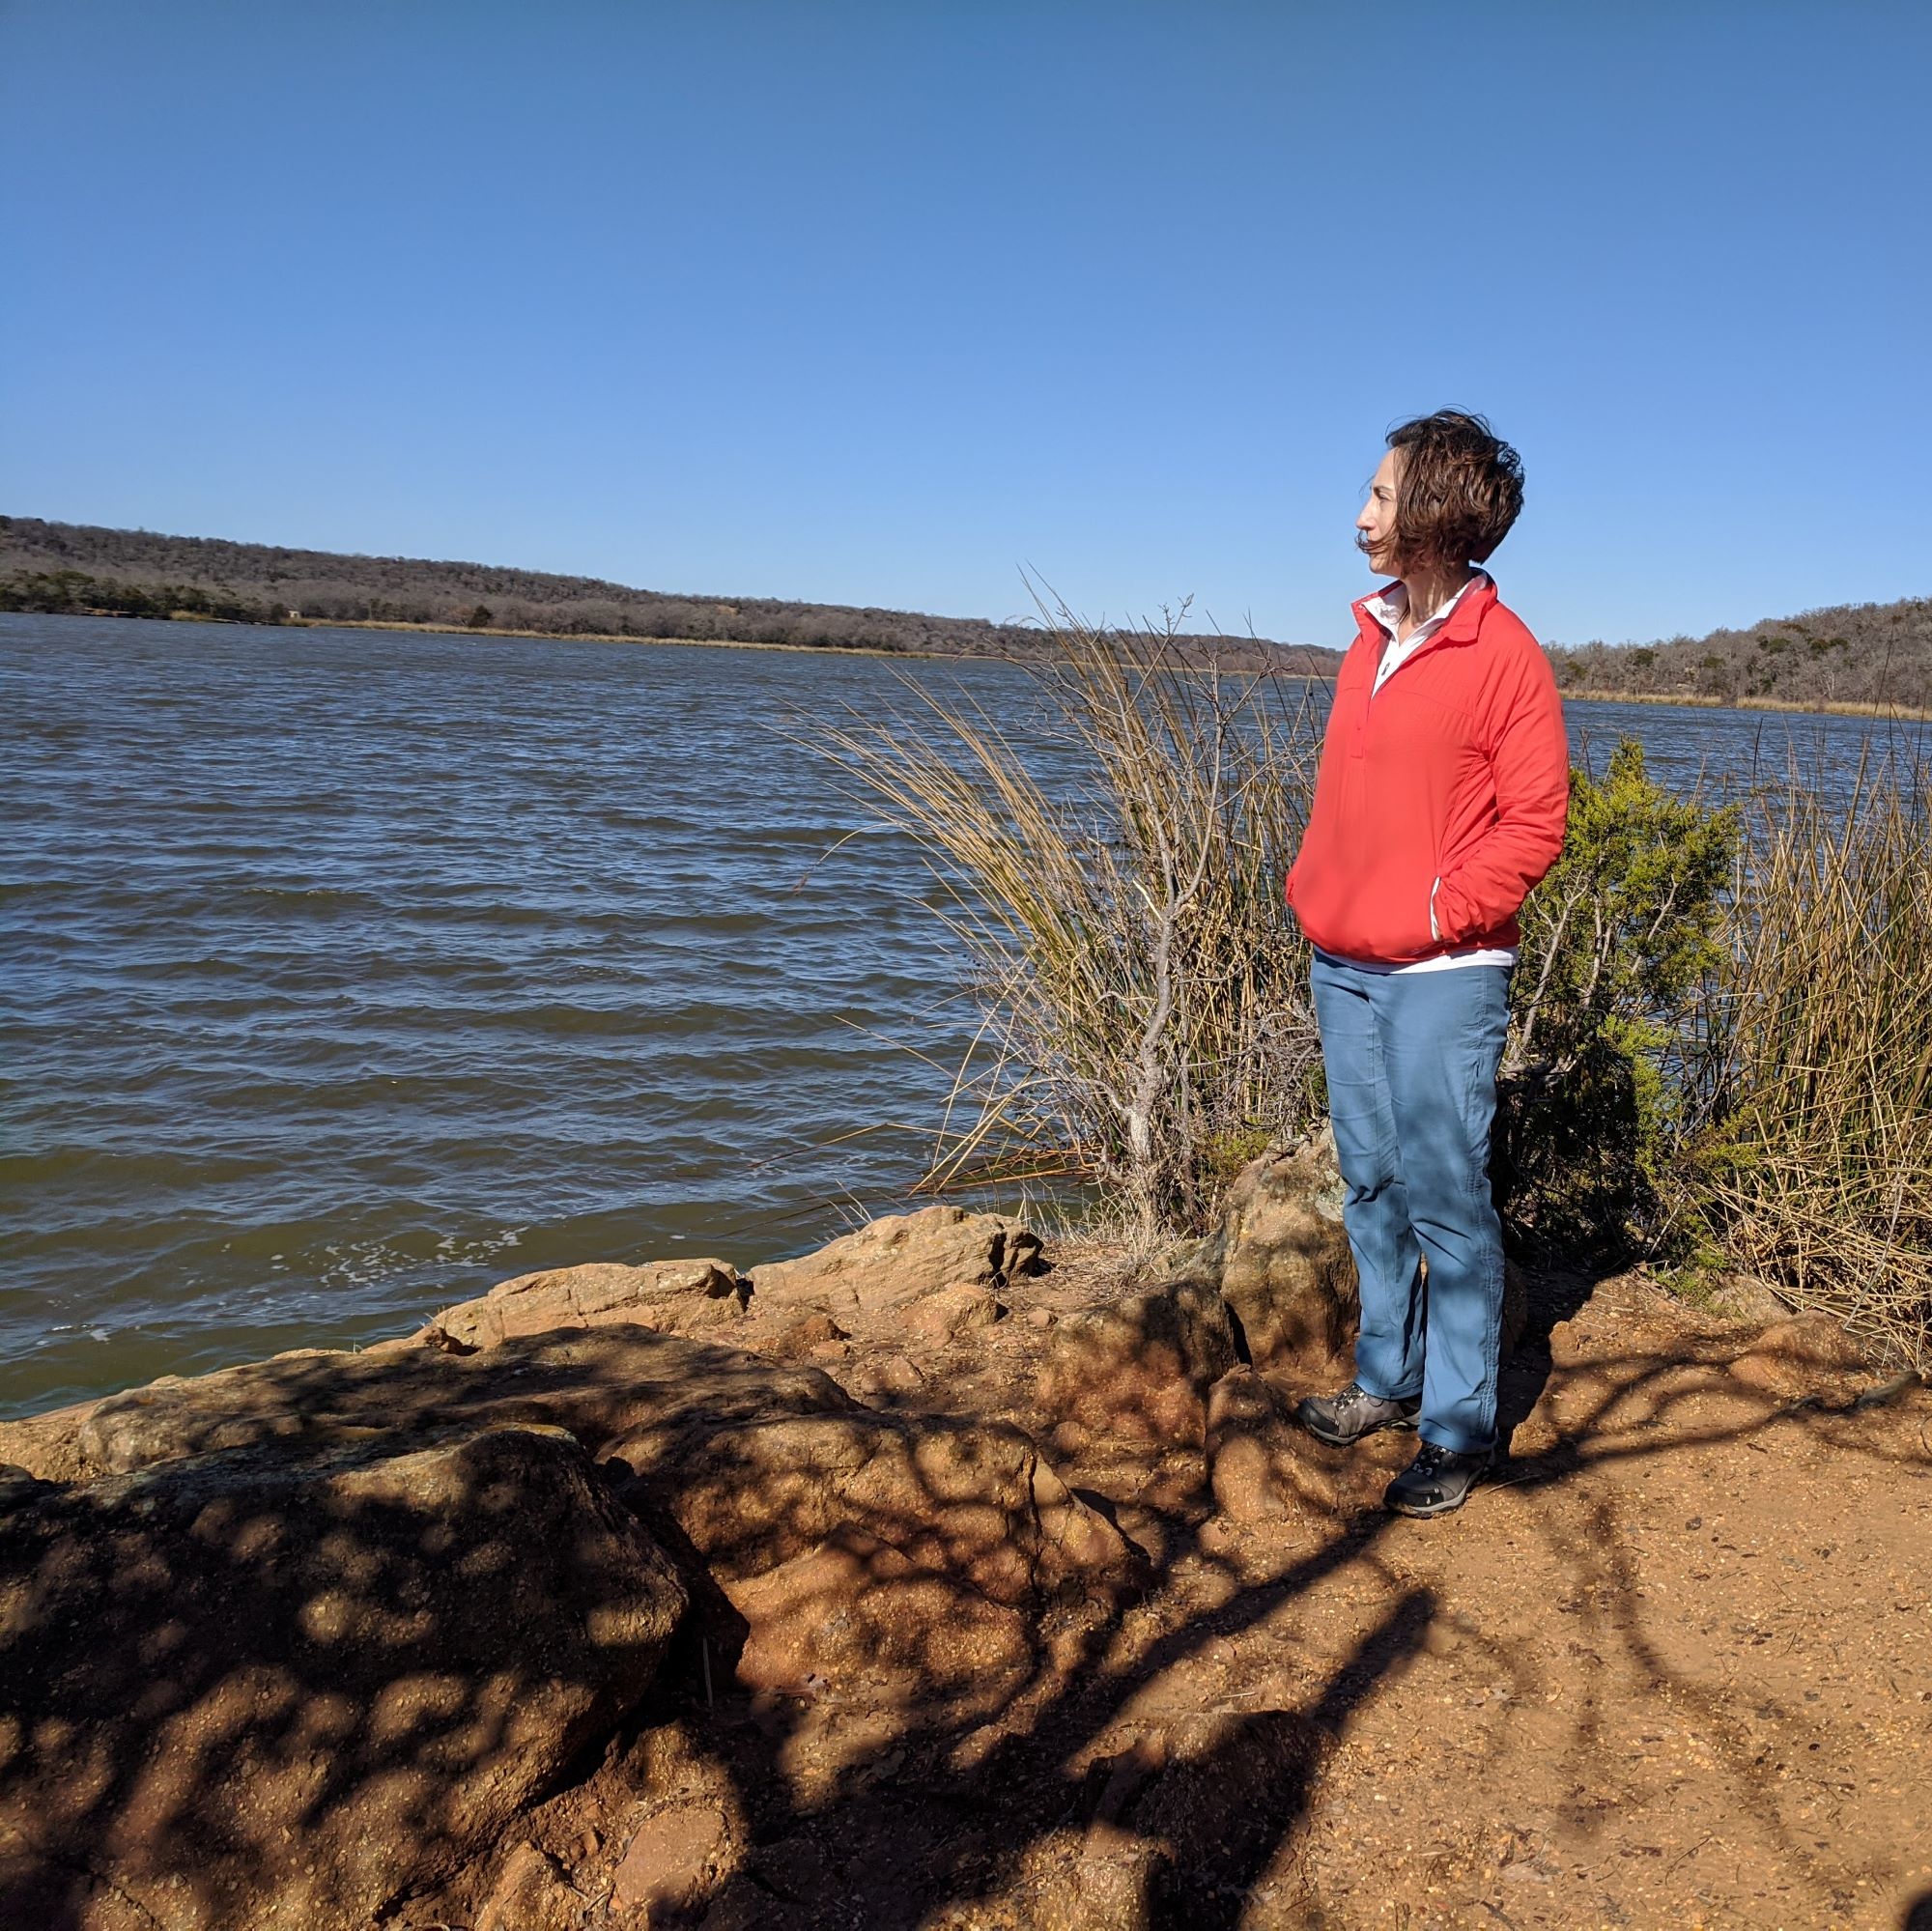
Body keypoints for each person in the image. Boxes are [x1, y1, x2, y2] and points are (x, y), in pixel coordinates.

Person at [1284, 410, 1569, 1518]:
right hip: (1341, 959)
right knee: (1370, 1181)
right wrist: (1315, 883)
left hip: (1443, 971)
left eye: (1379, 494)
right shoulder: (1367, 636)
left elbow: (1534, 823)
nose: (1360, 515)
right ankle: (1384, 1379)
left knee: (1447, 1199)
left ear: (1435, 512)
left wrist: (1441, 908)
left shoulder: (1503, 655)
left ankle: (1455, 1429)